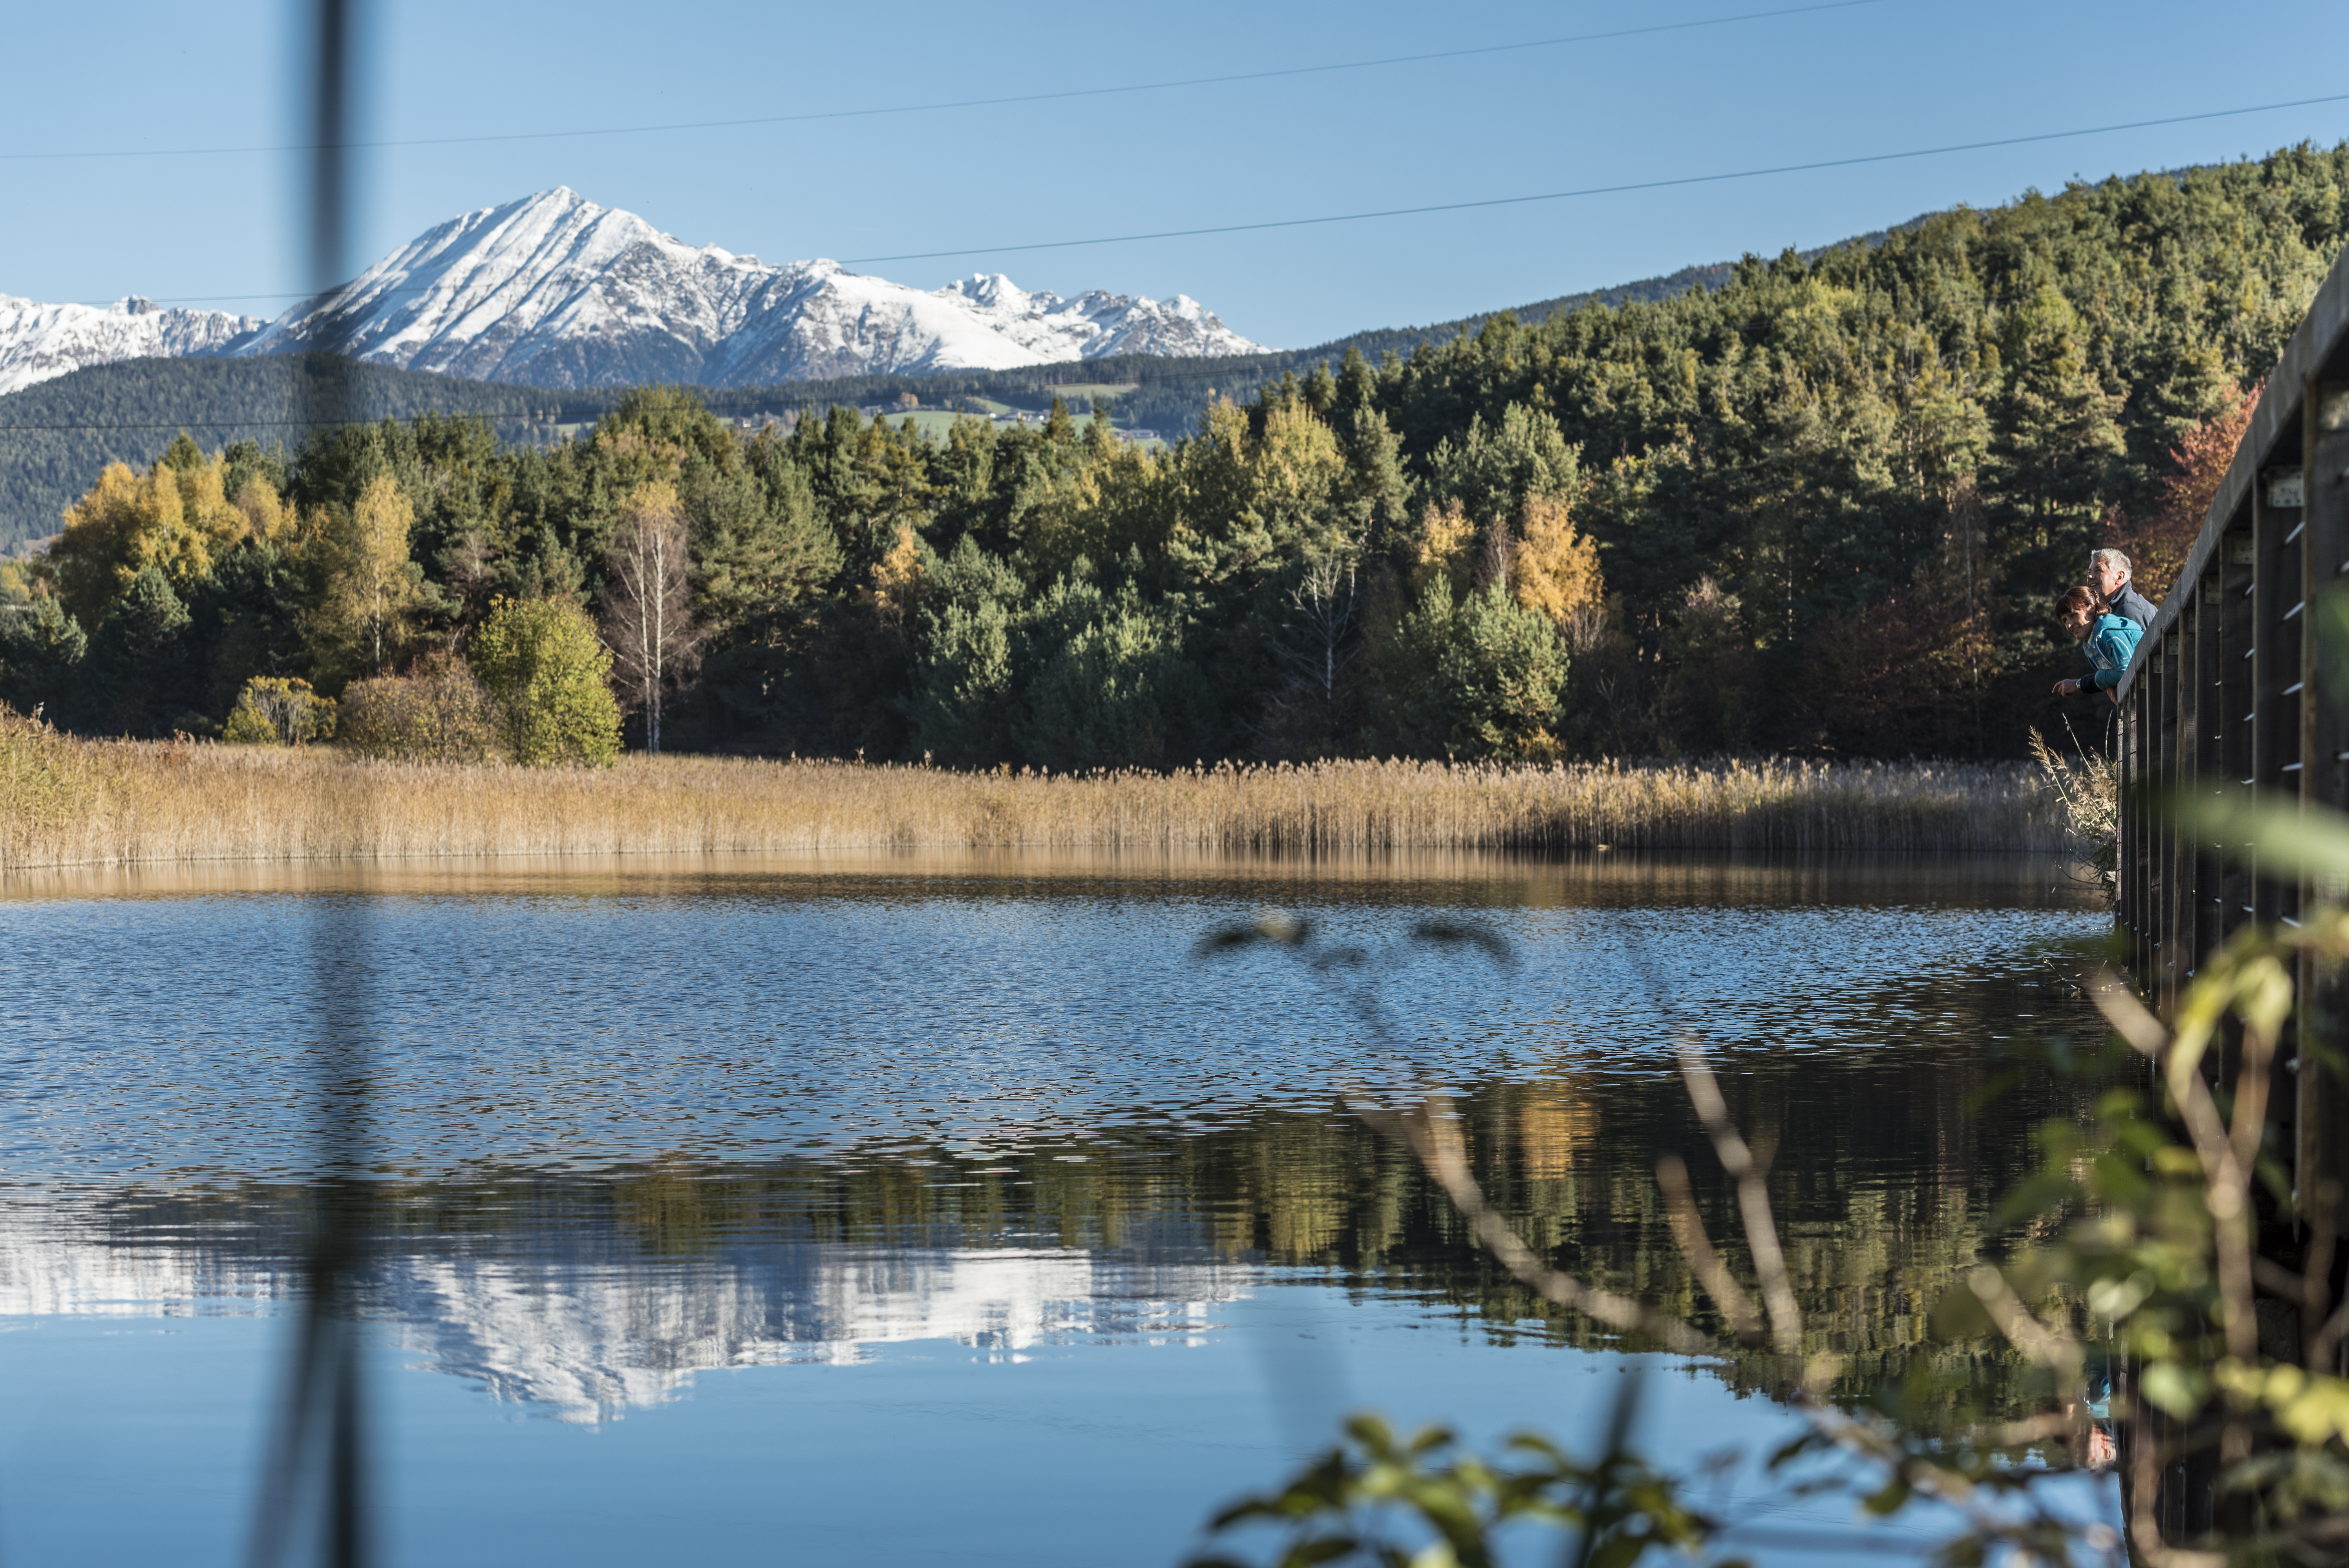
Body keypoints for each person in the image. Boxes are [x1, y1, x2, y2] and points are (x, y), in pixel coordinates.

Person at [2052, 585, 2141, 703]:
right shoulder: (2091, 643)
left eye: (2073, 615)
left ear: (2092, 609)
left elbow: (2126, 672)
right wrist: (2109, 685)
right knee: (2125, 722)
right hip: (2139, 698)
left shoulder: (2109, 634)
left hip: (2157, 688)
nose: (2069, 625)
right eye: (2065, 620)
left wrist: (2099, 678)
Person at [2089, 547, 2157, 630]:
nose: (2090, 576)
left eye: (2099, 570)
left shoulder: (2129, 610)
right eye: (2090, 572)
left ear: (2119, 577)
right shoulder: (2112, 609)